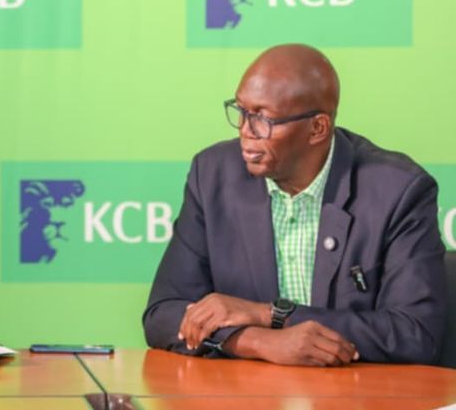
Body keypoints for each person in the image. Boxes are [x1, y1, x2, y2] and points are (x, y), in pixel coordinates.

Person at [143, 44, 446, 366]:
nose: (246, 132)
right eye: (241, 111)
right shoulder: (214, 175)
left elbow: (415, 333)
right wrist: (256, 340)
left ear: (317, 128)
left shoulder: (396, 190)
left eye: (262, 118)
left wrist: (270, 315)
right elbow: (164, 312)